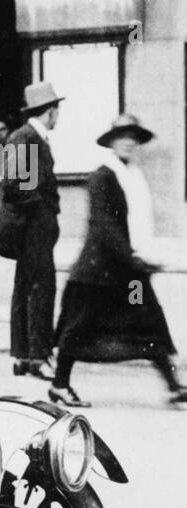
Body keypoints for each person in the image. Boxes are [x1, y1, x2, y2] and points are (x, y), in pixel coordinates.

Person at [49, 114, 186, 407]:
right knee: (79, 327)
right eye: (122, 136)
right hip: (97, 275)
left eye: (133, 137)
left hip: (129, 278)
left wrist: (140, 261)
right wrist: (132, 258)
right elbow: (104, 226)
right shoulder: (102, 176)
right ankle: (59, 385)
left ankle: (174, 386)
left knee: (146, 318)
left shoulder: (134, 177)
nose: (128, 142)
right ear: (111, 142)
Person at [0, 81, 63, 380]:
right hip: (33, 228)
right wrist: (42, 211)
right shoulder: (27, 137)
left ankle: (22, 356)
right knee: (41, 290)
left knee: (25, 289)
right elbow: (14, 184)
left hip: (31, 227)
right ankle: (38, 357)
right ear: (50, 111)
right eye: (56, 111)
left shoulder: (27, 137)